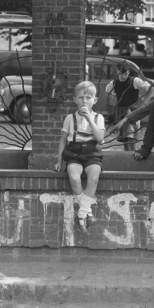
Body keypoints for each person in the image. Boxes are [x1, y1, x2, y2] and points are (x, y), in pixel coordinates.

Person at [53, 81, 106, 234]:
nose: (84, 101)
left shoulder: (98, 118)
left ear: (94, 100)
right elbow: (63, 140)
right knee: (74, 178)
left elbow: (100, 138)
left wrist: (89, 118)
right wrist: (59, 161)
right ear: (75, 99)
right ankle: (88, 212)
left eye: (88, 97)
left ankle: (81, 214)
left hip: (92, 154)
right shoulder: (70, 118)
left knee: (93, 177)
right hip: (74, 154)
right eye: (81, 97)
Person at [105, 63, 154, 151]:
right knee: (125, 137)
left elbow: (152, 89)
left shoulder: (135, 81)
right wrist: (113, 100)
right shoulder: (113, 83)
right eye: (121, 74)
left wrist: (144, 102)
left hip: (132, 110)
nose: (123, 76)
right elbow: (107, 92)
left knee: (131, 135)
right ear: (117, 73)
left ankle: (132, 154)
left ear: (128, 72)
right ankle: (128, 155)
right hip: (120, 110)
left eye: (125, 74)